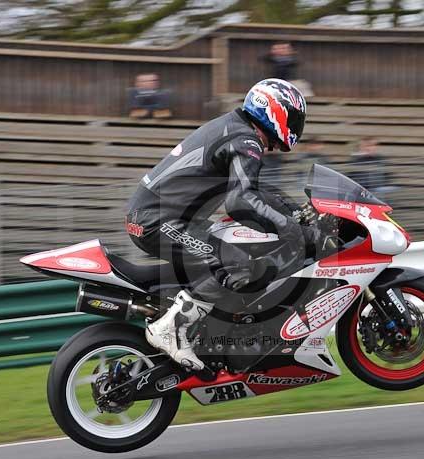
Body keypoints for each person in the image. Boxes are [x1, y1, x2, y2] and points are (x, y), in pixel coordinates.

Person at [125, 78, 319, 370]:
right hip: (156, 220)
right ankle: (170, 328)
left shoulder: (237, 130)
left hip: (161, 217)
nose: (295, 125)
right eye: (292, 117)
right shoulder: (245, 140)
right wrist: (292, 229)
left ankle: (211, 337)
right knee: (238, 264)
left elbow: (252, 192)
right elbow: (240, 202)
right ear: (272, 109)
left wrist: (295, 212)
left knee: (238, 252)